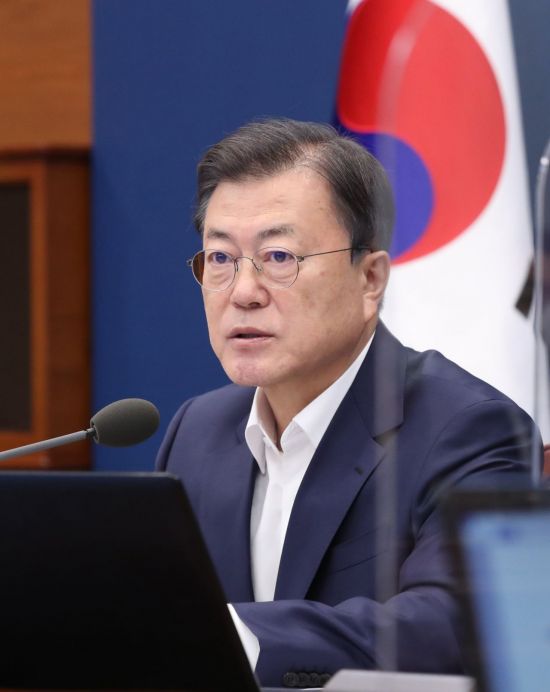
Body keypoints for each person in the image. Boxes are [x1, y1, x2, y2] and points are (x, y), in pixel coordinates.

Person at [156, 118, 538, 688]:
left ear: (370, 279)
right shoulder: (197, 431)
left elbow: (456, 625)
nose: (243, 292)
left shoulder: (468, 429)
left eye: (279, 256)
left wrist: (228, 635)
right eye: (220, 258)